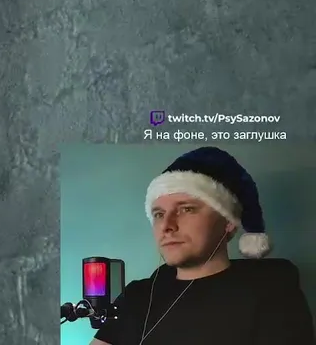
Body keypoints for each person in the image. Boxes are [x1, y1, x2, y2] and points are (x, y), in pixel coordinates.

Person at [91, 146, 315, 345]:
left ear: (228, 222)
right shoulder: (137, 295)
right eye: (159, 214)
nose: (167, 226)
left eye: (186, 209)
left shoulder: (271, 291)